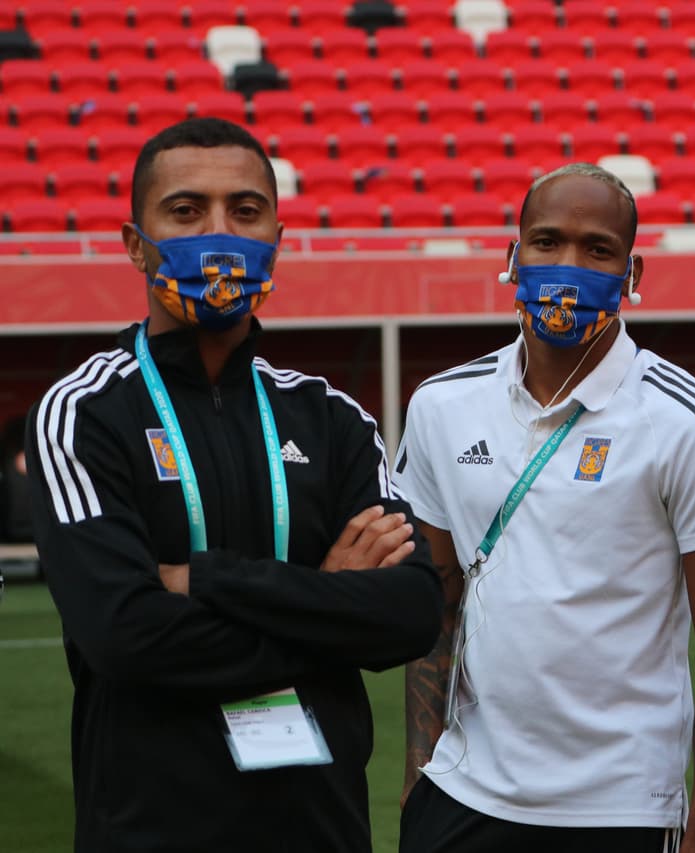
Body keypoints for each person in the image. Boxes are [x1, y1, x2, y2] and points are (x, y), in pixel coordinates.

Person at [24, 117, 444, 853]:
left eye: (245, 211)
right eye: (186, 211)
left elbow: (411, 611)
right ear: (135, 243)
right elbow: (124, 635)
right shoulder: (83, 412)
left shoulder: (332, 418)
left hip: (320, 830)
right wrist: (324, 597)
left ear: (276, 238)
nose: (219, 232)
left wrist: (204, 580)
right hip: (150, 831)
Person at [394, 162, 695, 853]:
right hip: (464, 797)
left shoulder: (686, 420)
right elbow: (438, 606)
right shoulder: (439, 405)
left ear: (632, 271)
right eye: (546, 241)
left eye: (597, 249)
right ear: (512, 256)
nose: (568, 264)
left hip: (619, 808)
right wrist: (420, 774)